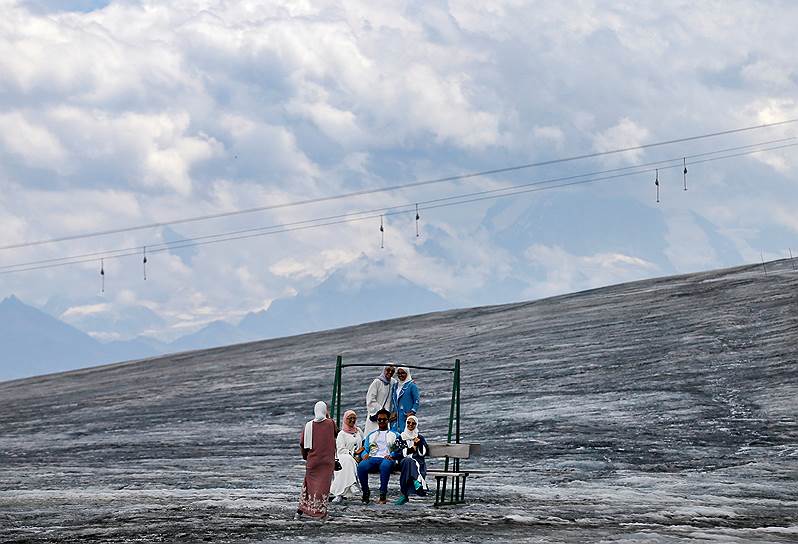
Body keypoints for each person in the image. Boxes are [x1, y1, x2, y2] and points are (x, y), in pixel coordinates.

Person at [296, 401, 336, 520]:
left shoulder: (308, 425)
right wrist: (329, 417)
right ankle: (320, 513)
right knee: (323, 488)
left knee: (308, 486)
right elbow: (336, 433)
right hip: (327, 462)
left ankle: (301, 510)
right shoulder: (330, 423)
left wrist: (305, 457)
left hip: (313, 461)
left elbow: (302, 444)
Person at [356, 409, 398, 504]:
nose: (382, 421)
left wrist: (392, 455)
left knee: (385, 466)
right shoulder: (371, 435)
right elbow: (365, 448)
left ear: (388, 420)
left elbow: (398, 450)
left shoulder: (395, 435)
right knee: (361, 466)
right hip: (373, 458)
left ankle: (383, 495)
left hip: (387, 459)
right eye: (379, 419)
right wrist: (364, 454)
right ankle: (365, 492)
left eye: (384, 419)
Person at [393, 415, 429, 505]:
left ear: (416, 425)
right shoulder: (401, 437)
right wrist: (412, 449)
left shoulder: (419, 437)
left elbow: (423, 453)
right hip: (403, 462)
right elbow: (398, 452)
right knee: (407, 461)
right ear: (406, 423)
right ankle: (416, 481)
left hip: (418, 462)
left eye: (413, 423)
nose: (410, 425)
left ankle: (404, 495)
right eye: (409, 422)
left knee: (410, 463)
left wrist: (419, 443)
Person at [330, 409, 364, 503]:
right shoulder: (342, 434)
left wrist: (361, 454)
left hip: (358, 457)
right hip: (344, 456)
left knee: (349, 461)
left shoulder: (358, 431)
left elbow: (364, 444)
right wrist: (354, 454)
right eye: (350, 418)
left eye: (354, 418)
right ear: (345, 419)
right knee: (347, 460)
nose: (352, 420)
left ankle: (343, 490)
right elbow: (340, 450)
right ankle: (351, 484)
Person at [364, 365, 396, 435]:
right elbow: (370, 399)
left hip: (387, 418)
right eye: (388, 370)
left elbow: (401, 386)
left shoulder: (393, 382)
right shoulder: (377, 382)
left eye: (392, 371)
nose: (390, 372)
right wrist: (382, 411)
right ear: (384, 370)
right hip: (376, 415)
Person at [392, 366, 419, 433]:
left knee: (407, 433)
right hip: (396, 417)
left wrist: (412, 412)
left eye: (403, 373)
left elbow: (416, 401)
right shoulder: (395, 386)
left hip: (406, 415)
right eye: (399, 373)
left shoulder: (412, 386)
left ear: (407, 373)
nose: (400, 375)